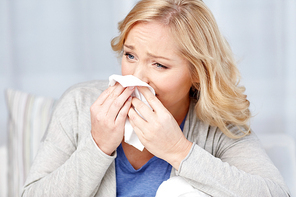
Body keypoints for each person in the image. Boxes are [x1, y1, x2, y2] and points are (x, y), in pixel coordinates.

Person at [22, 0, 290, 196]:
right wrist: (98, 146)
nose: (138, 76)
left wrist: (179, 151)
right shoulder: (80, 105)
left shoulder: (217, 124)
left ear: (197, 73)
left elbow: (276, 193)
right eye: (130, 56)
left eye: (159, 65)